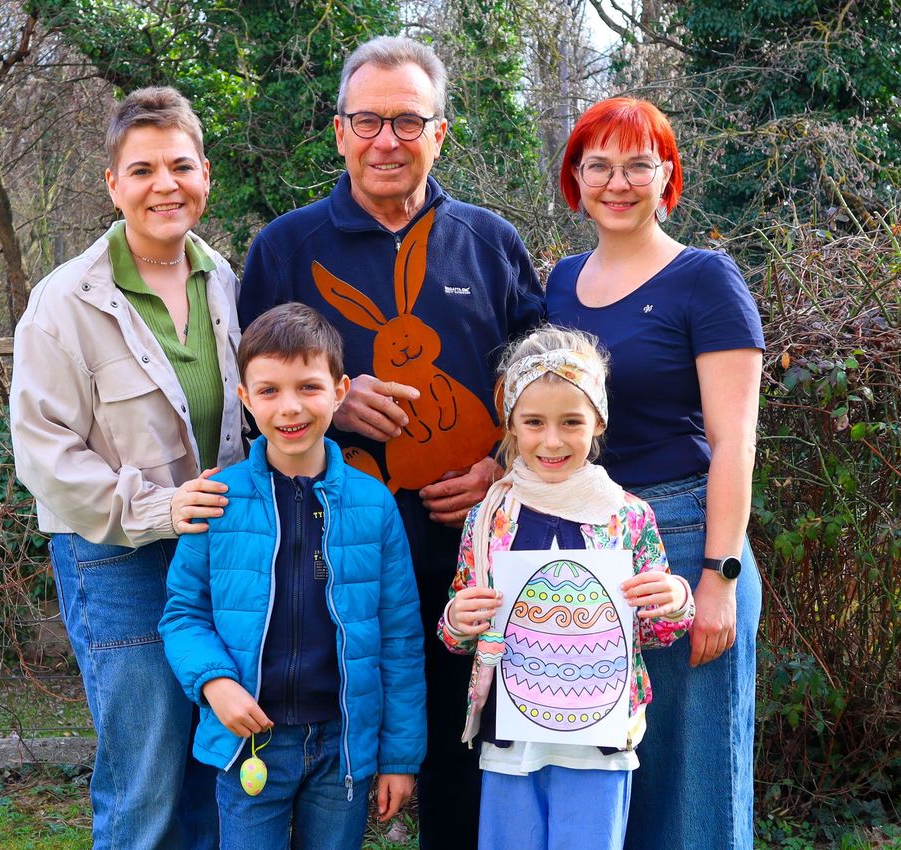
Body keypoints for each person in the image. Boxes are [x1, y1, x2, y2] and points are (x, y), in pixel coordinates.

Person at [238, 35, 543, 848]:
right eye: (367, 121)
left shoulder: (490, 243)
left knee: (462, 756)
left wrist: (499, 469)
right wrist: (331, 405)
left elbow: (548, 392)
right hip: (326, 565)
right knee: (325, 773)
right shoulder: (285, 249)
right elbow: (249, 403)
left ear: (441, 132)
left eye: (408, 122)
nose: (386, 141)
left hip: (470, 559)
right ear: (338, 132)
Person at [9, 87, 244, 850]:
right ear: (113, 184)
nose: (164, 184)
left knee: (216, 761)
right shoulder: (64, 303)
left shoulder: (226, 281)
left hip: (218, 556)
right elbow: (44, 456)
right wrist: (157, 509)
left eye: (180, 165)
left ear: (205, 174)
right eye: (142, 169)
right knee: (145, 781)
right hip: (118, 560)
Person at [545, 97, 766, 849]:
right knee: (605, 780)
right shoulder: (559, 284)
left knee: (692, 789)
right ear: (575, 177)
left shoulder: (705, 280)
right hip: (582, 551)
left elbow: (735, 441)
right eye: (599, 165)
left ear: (667, 174)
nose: (618, 181)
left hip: (682, 540)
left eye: (638, 164)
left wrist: (720, 577)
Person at [158, 302, 426, 850]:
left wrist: (398, 757)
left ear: (340, 389)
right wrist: (215, 683)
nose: (290, 408)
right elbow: (183, 615)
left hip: (342, 747)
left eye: (308, 387)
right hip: (250, 742)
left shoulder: (374, 506)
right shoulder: (219, 500)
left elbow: (400, 638)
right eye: (269, 391)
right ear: (244, 399)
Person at [436, 326, 695, 850]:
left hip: (598, 742)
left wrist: (674, 600)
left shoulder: (627, 516)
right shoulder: (490, 518)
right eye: (533, 422)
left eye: (571, 422)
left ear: (597, 421)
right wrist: (457, 619)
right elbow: (461, 629)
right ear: (510, 423)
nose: (551, 440)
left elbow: (655, 632)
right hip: (511, 739)